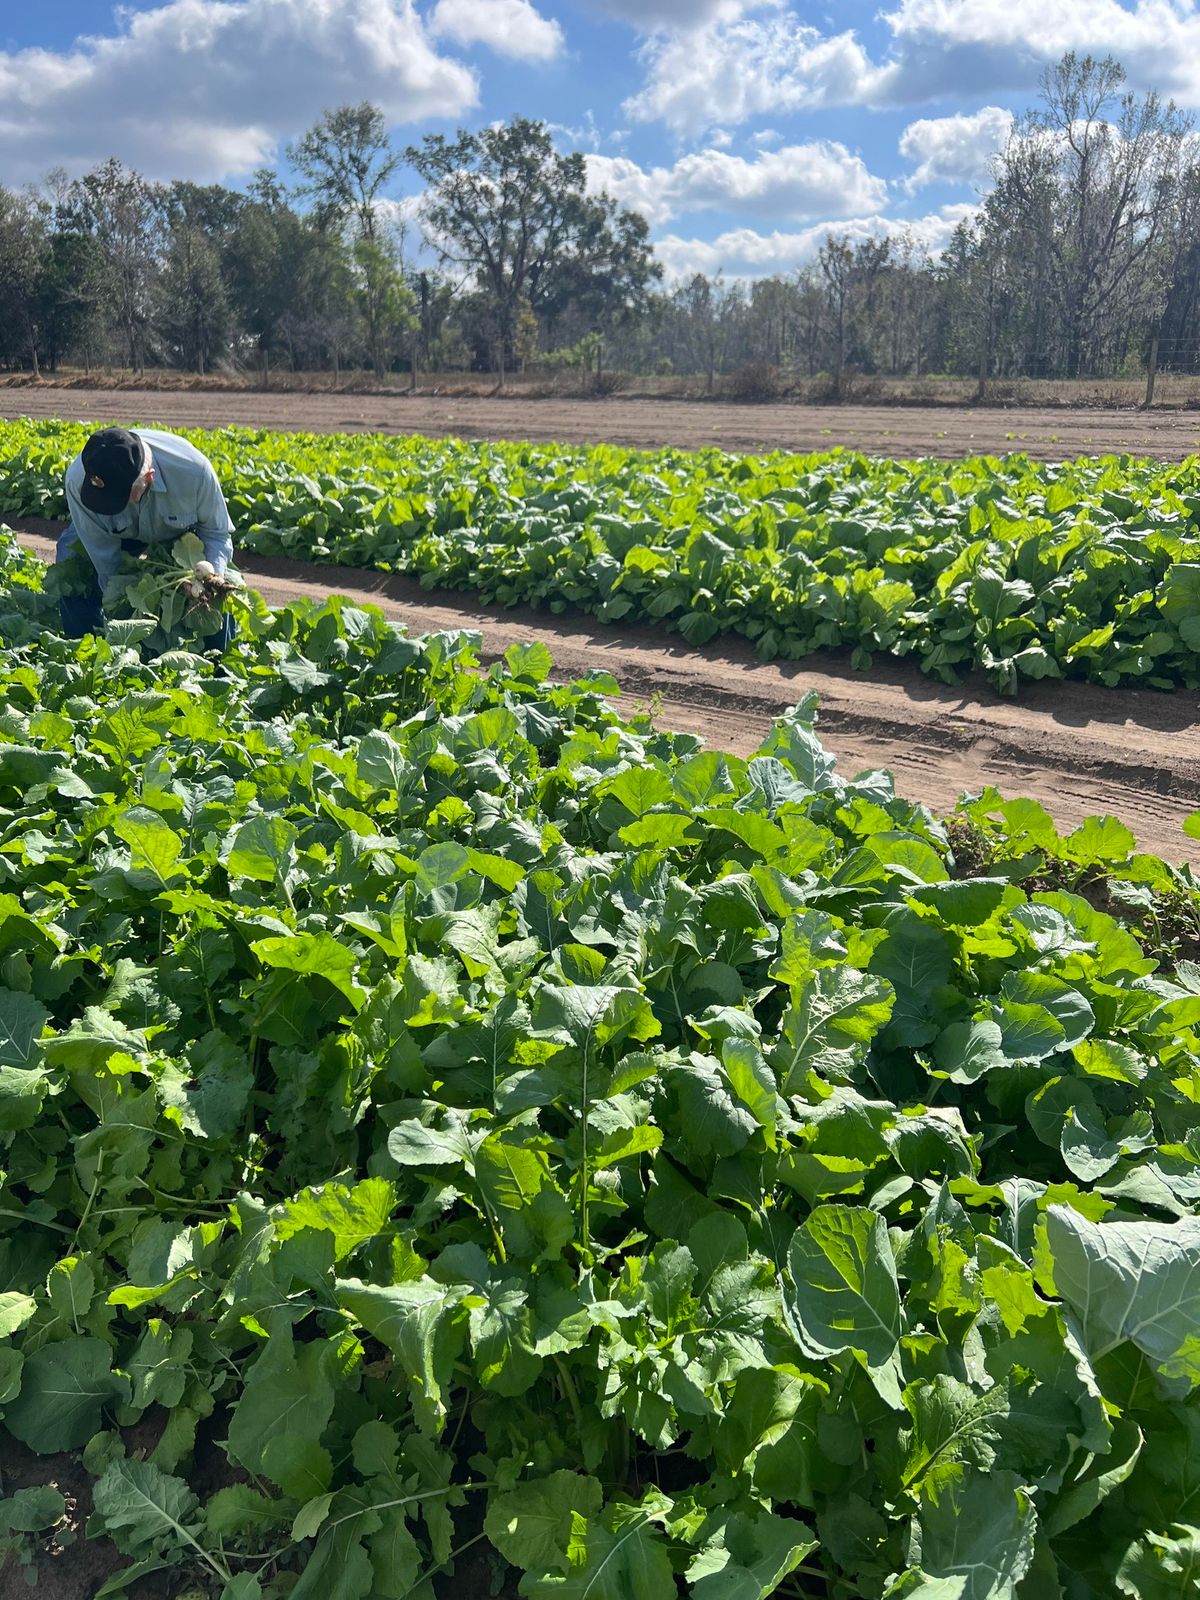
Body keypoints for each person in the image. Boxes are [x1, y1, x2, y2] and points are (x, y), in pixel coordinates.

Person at [57, 425, 235, 646]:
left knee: (219, 588)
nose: (115, 504)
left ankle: (221, 665)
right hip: (115, 532)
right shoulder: (77, 481)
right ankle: (86, 648)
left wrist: (209, 579)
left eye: (121, 496)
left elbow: (216, 534)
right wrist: (126, 611)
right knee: (70, 558)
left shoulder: (194, 472)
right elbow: (106, 563)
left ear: (149, 478)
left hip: (181, 535)